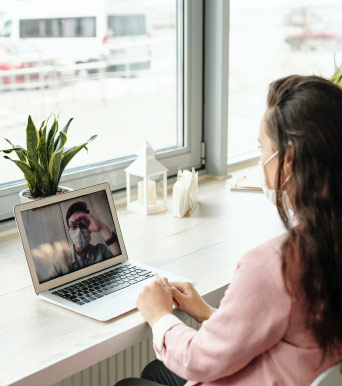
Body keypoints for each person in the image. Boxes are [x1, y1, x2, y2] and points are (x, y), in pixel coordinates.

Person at [114, 75, 342, 386]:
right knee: (155, 373)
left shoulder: (277, 264)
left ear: (287, 159)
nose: (262, 160)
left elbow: (198, 360)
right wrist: (210, 314)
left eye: (263, 149)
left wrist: (158, 315)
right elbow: (289, 334)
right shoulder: (330, 242)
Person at [65, 201, 121, 271]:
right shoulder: (61, 260)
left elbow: (120, 266)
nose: (79, 230)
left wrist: (102, 228)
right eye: (73, 226)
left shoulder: (101, 251)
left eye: (82, 225)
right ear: (69, 231)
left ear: (90, 229)